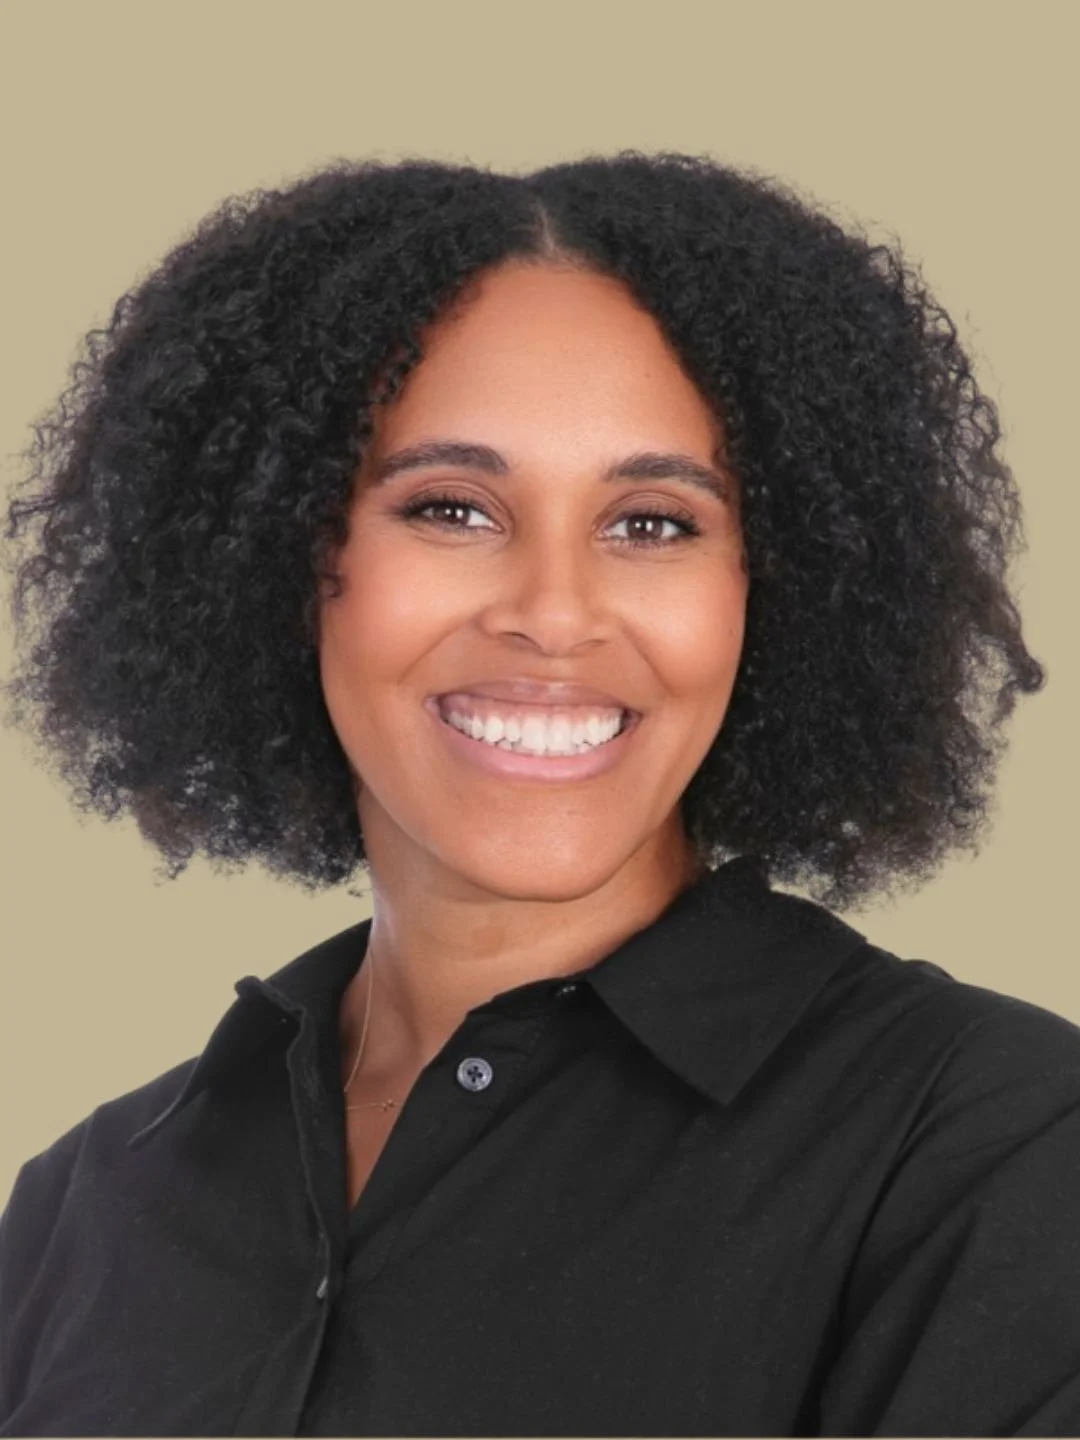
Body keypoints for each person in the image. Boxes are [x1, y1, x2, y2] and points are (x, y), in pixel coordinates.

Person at [0, 150, 1072, 1437]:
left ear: (771, 587)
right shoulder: (85, 1206)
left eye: (653, 523)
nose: (555, 615)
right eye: (451, 509)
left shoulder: (986, 1143)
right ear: (285, 552)